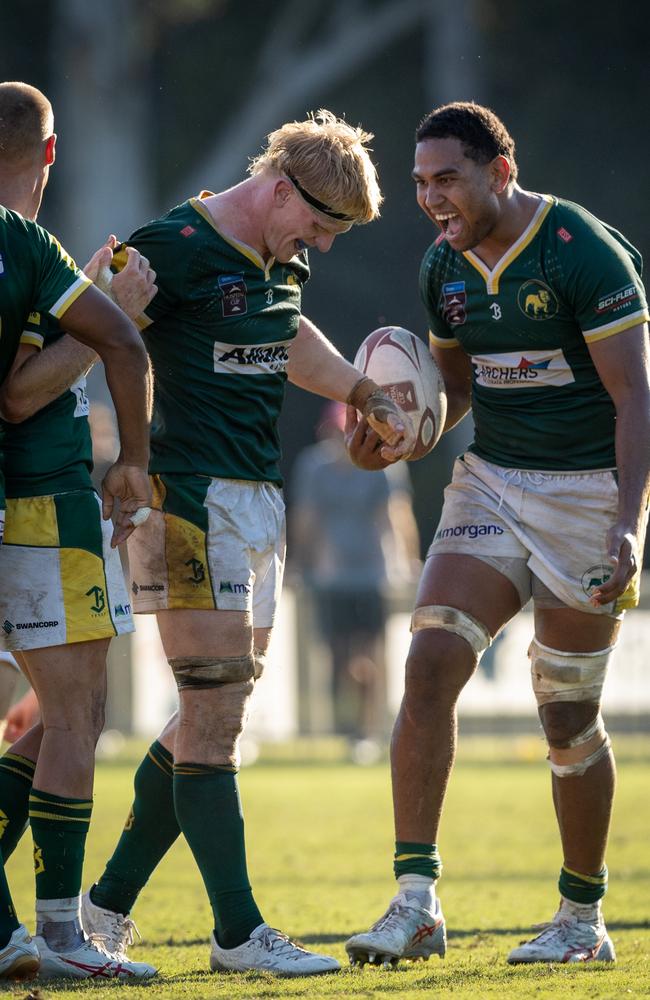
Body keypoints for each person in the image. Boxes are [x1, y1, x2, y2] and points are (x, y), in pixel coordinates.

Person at [80, 110, 415, 977]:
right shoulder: (172, 247)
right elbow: (104, 335)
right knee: (216, 708)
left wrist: (360, 389)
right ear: (278, 188)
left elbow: (287, 336)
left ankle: (104, 907)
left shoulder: (279, 258)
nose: (325, 246)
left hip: (256, 500)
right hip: (184, 498)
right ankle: (238, 933)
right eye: (322, 225)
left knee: (209, 709)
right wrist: (126, 463)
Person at [344, 101, 650, 968]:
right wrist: (396, 440)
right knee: (430, 660)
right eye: (419, 183)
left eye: (447, 178)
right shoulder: (440, 268)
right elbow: (453, 392)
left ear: (499, 173)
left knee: (565, 713)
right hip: (495, 480)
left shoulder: (582, 250)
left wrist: (629, 523)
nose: (432, 198)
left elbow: (637, 397)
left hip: (593, 493)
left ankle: (581, 920)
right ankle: (415, 902)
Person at [0, 80, 156, 981]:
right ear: (50, 153)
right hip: (42, 506)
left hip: (30, 505)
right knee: (76, 717)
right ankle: (61, 931)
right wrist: (114, 308)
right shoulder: (24, 242)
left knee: (55, 723)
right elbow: (22, 394)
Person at [291, 400, 419, 757]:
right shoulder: (314, 467)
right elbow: (307, 518)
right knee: (339, 658)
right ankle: (351, 728)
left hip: (371, 575)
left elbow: (395, 515)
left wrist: (407, 560)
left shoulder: (383, 467)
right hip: (331, 578)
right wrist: (300, 562)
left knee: (367, 657)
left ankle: (368, 730)